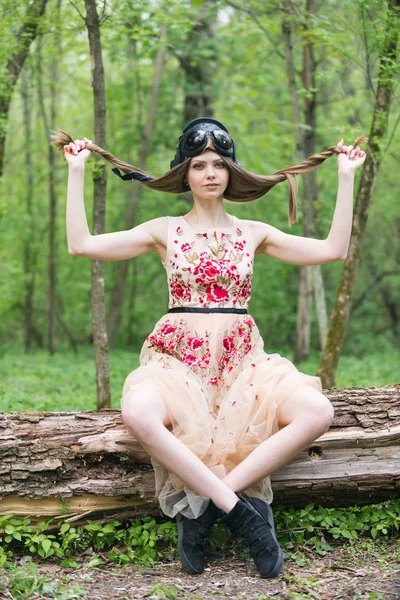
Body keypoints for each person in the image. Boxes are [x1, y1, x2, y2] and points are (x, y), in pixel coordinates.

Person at [59, 118, 366, 578]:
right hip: (177, 362)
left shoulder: (253, 232)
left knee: (317, 411)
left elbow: (333, 249)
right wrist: (77, 170)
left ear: (231, 171)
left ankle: (210, 501)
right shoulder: (163, 230)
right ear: (184, 172)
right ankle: (243, 513)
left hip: (244, 364)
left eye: (218, 164)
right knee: (139, 412)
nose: (209, 172)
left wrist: (346, 178)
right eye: (198, 164)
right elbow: (81, 245)